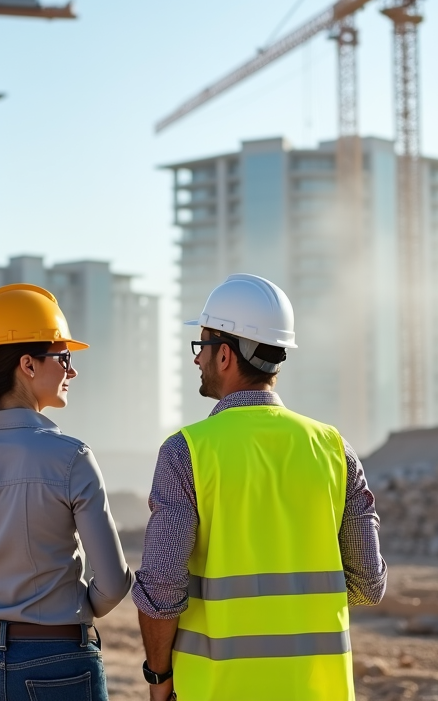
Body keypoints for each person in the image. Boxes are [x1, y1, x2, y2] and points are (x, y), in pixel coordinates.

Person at [134, 273, 388, 701]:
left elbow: (160, 589)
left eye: (201, 346)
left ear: (226, 355)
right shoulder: (333, 448)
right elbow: (368, 583)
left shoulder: (187, 452)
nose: (196, 360)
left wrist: (159, 679)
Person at [0, 283, 132, 701]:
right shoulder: (72, 458)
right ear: (28, 365)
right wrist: (64, 609)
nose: (71, 371)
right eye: (63, 357)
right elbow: (112, 584)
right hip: (59, 661)